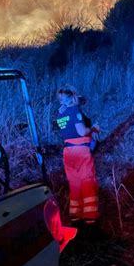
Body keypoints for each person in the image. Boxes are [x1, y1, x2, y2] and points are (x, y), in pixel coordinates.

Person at [56, 87, 100, 224]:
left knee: (74, 183)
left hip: (68, 152)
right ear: (73, 98)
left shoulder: (60, 114)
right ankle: (90, 216)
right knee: (87, 181)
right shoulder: (75, 111)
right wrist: (93, 128)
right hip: (80, 150)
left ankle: (75, 214)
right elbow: (81, 132)